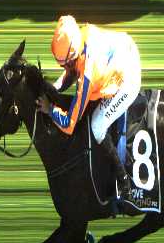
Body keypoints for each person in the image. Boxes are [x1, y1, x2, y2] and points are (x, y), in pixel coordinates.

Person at [48, 15, 144, 205]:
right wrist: (53, 88)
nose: (63, 67)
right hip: (125, 46)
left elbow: (69, 124)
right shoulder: (80, 35)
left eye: (64, 64)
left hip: (128, 80)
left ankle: (123, 180)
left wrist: (49, 109)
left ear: (72, 59)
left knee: (97, 125)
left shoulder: (87, 77)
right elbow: (70, 73)